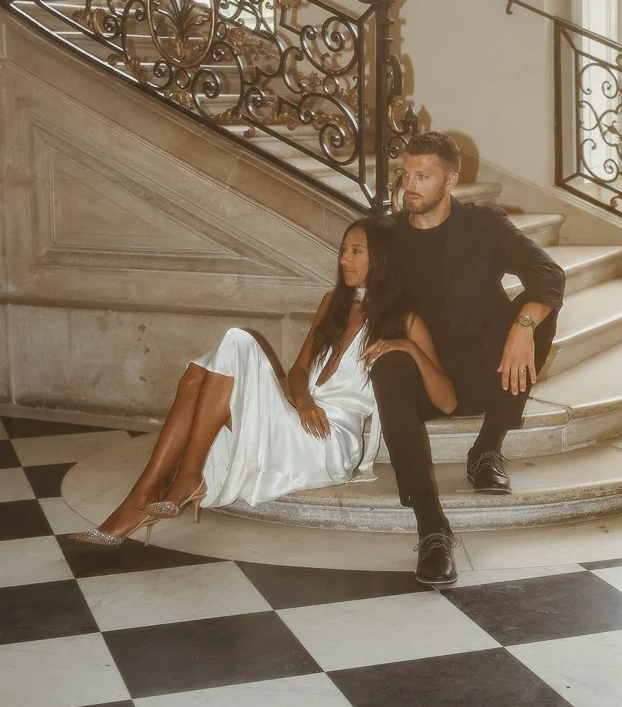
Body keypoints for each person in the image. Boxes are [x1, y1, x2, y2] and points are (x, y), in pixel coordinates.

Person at [69, 215, 455, 546]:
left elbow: (448, 401)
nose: (344, 259)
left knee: (237, 341)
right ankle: (144, 495)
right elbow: (300, 370)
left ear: (382, 260)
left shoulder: (406, 321)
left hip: (328, 442)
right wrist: (302, 400)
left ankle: (182, 479)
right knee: (194, 378)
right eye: (343, 249)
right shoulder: (332, 304)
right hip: (298, 416)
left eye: (356, 251)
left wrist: (409, 349)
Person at [369, 132, 565, 587]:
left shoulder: (484, 225)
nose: (410, 185)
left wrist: (522, 328)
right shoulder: (387, 237)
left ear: (451, 180)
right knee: (389, 362)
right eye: (406, 174)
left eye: (423, 175)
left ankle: (486, 449)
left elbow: (547, 274)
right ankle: (431, 526)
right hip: (425, 378)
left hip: (484, 368)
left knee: (539, 315)